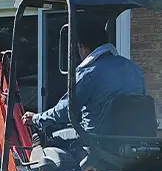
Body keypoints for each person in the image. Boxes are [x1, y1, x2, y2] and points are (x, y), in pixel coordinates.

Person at [21, 21, 146, 151]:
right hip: (132, 142)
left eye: (78, 49)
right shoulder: (133, 68)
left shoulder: (89, 72)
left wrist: (36, 119)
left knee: (46, 138)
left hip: (96, 140)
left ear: (83, 47)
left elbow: (65, 109)